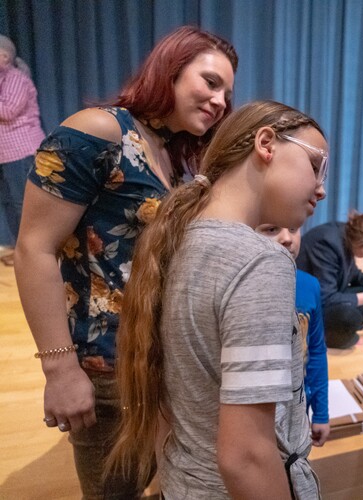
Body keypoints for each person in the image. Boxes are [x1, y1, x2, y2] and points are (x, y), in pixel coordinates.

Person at [14, 26, 237, 498]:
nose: (220, 101)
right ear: (170, 70)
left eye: (227, 94)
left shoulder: (175, 157)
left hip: (158, 363)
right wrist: (61, 370)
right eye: (211, 82)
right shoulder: (97, 131)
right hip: (107, 368)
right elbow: (35, 249)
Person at [108, 100, 328, 498]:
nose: (322, 187)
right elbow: (245, 455)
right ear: (266, 144)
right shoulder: (260, 260)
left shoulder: (176, 240)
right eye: (316, 165)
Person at [256, 224, 331, 447]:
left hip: (297, 411)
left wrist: (321, 413)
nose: (287, 238)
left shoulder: (309, 285)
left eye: (295, 228)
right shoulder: (236, 290)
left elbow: (316, 351)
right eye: (271, 229)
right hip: (257, 417)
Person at [297, 212, 363, 349]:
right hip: (307, 305)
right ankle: (350, 327)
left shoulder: (346, 235)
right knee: (349, 317)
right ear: (362, 242)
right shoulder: (327, 244)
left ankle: (360, 319)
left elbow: (353, 274)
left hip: (329, 293)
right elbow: (326, 298)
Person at [0, 35, 46, 266]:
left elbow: (8, 111)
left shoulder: (16, 79)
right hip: (4, 154)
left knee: (22, 203)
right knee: (8, 202)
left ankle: (31, 254)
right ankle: (20, 251)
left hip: (20, 151)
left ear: (4, 57)